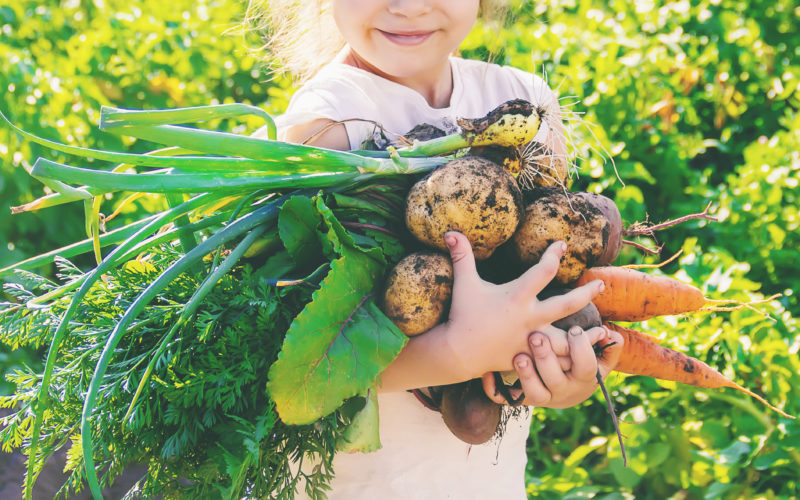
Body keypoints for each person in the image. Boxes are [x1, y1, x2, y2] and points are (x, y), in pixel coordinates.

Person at [251, 1, 625, 498]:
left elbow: (548, 267)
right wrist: (454, 354)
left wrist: (562, 369)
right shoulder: (326, 128)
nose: (407, 6)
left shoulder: (524, 103)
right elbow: (293, 366)